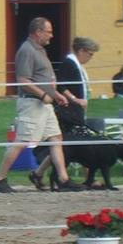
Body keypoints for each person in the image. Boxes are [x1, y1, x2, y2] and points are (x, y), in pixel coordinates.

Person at [0, 17, 82, 193]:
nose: (52, 35)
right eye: (49, 31)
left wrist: (56, 95)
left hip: (44, 104)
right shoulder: (27, 51)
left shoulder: (40, 51)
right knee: (22, 141)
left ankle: (63, 179)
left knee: (56, 138)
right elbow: (23, 81)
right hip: (32, 104)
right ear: (38, 32)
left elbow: (42, 79)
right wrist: (44, 95)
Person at [30, 36, 99, 190]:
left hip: (75, 111)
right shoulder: (69, 64)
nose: (91, 58)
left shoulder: (76, 65)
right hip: (69, 112)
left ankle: (38, 173)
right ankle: (87, 178)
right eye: (90, 54)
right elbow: (62, 85)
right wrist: (75, 99)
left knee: (60, 146)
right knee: (77, 144)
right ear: (81, 51)